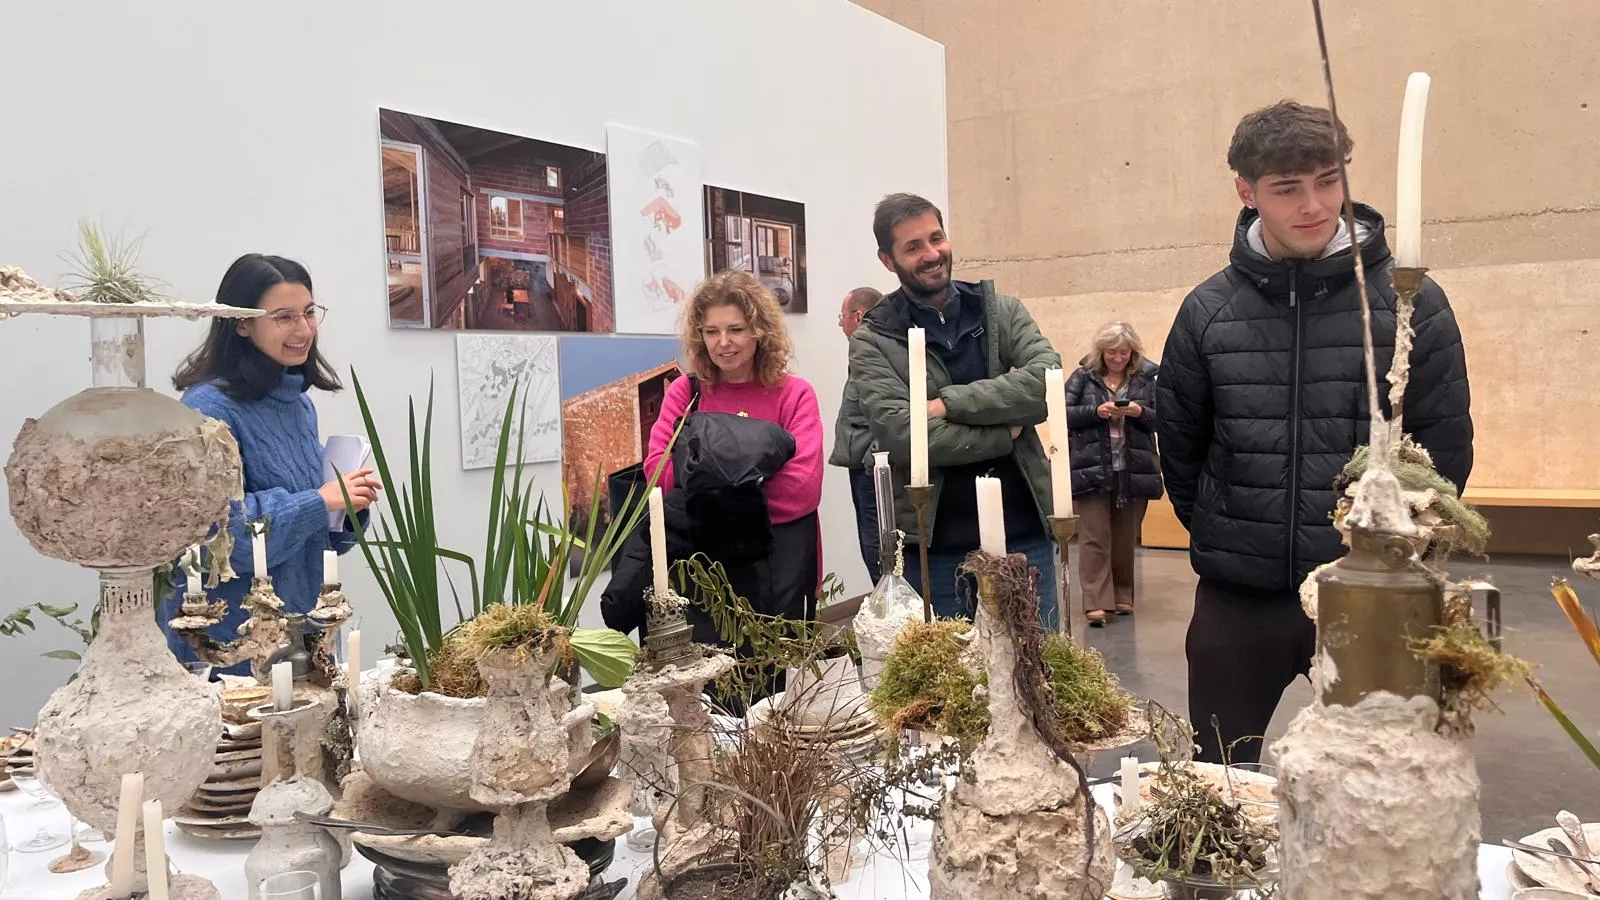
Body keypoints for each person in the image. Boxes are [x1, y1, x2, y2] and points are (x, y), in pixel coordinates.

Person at [1157, 101, 1473, 764]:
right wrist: (1233, 530)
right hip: (1240, 600)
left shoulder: (1410, 301)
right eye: (1287, 189)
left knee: (1380, 784)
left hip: (1372, 591)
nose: (1313, 205)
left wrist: (1395, 550)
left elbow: (1443, 445)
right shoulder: (1208, 312)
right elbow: (1182, 450)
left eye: (1329, 180)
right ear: (1247, 193)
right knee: (1218, 780)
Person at [850, 193, 1063, 627]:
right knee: (952, 688)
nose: (932, 254)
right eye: (913, 247)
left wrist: (949, 403)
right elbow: (904, 434)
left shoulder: (1001, 311)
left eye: (936, 238)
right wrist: (1006, 432)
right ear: (887, 260)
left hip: (1025, 535)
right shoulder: (874, 339)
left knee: (1041, 673)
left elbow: (1047, 382)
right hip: (935, 551)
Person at [162, 254, 380, 668]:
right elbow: (221, 540)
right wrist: (321, 502)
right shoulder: (206, 409)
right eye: (284, 317)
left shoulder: (297, 403)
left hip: (299, 625)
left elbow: (311, 535)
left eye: (309, 313)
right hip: (230, 642)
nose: (303, 330)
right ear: (242, 323)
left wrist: (348, 510)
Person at [602, 270, 824, 653]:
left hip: (778, 571)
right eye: (711, 332)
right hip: (700, 578)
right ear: (699, 336)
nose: (724, 344)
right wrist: (750, 479)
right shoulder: (684, 394)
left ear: (759, 330)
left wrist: (704, 483)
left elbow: (801, 489)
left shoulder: (793, 395)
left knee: (774, 689)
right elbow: (661, 476)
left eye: (736, 330)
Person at [1064, 321, 1162, 627]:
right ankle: (1095, 601)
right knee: (1094, 537)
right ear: (1101, 351)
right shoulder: (1082, 377)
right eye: (1111, 352)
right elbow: (1062, 413)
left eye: (1124, 352)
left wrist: (1139, 412)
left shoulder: (1149, 378)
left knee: (1124, 538)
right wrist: (1096, 412)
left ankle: (1122, 596)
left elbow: (1165, 418)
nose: (1118, 358)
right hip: (1091, 468)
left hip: (1133, 470)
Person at [829, 286, 885, 583]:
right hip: (864, 467)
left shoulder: (875, 353)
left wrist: (873, 458)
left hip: (871, 470)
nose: (841, 323)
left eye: (842, 316)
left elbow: (889, 412)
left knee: (877, 550)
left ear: (858, 316)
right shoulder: (867, 349)